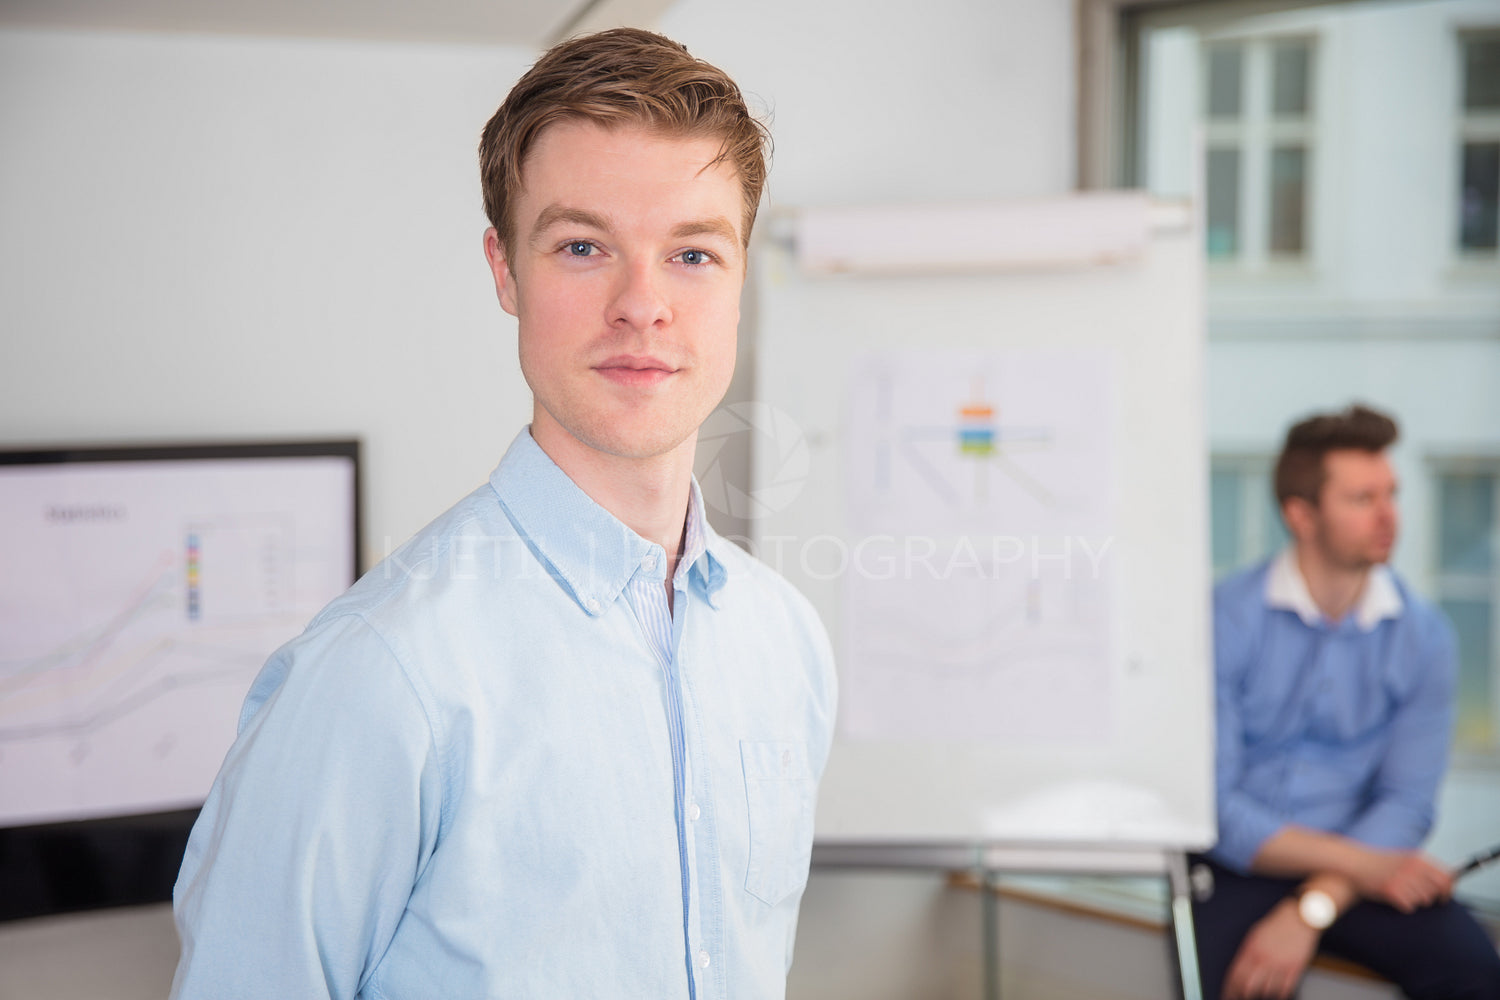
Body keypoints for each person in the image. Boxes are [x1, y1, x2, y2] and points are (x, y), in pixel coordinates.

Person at [169, 28, 836, 1000]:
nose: (641, 304)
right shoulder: (379, 676)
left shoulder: (787, 646)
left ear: (739, 284)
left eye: (692, 253)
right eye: (582, 246)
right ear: (504, 271)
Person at [1196, 404, 1500, 1000]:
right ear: (1301, 514)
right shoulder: (1223, 619)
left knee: (1472, 970)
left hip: (1359, 870)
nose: (1390, 517)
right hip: (1246, 864)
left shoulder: (1425, 636)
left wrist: (1316, 904)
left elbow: (1407, 801)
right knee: (1232, 984)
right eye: (1363, 500)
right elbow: (1215, 807)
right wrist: (1366, 867)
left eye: (1392, 494)